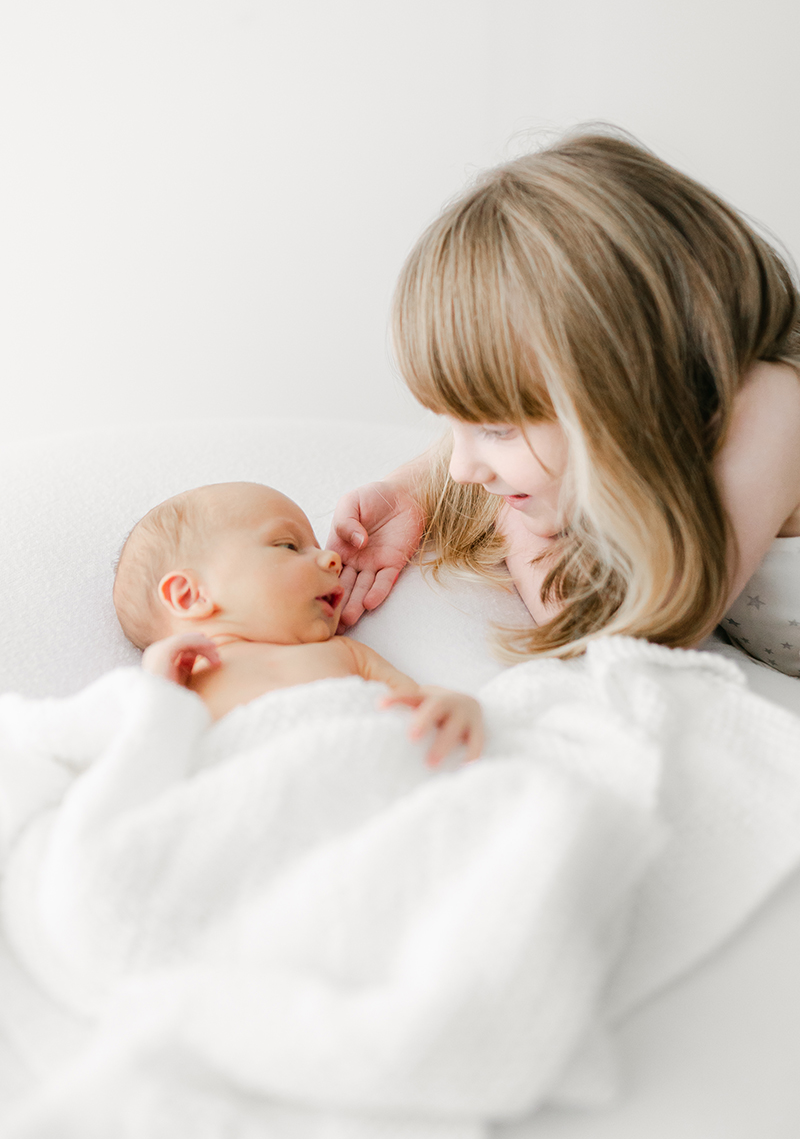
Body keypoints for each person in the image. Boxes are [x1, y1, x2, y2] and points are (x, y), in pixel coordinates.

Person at [328, 128, 800, 676]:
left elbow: (632, 642)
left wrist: (517, 526)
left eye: (496, 430)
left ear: (629, 381)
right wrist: (414, 487)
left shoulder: (771, 406)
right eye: (457, 424)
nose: (461, 468)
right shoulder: (658, 420)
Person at [112, 481, 483, 765]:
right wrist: (157, 692)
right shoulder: (180, 679)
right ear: (189, 596)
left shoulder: (348, 654)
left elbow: (416, 705)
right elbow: (143, 760)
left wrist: (456, 705)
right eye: (289, 546)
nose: (330, 559)